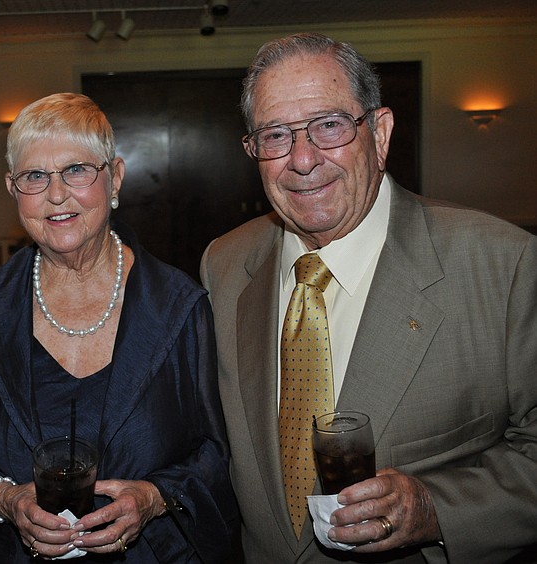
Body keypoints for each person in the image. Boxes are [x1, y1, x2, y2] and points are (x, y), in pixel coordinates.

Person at [200, 32, 537, 563]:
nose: (302, 159)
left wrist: (436, 508)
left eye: (329, 126)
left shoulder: (503, 264)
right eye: (275, 135)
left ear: (379, 134)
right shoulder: (224, 263)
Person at [0, 92, 238, 562]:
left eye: (77, 170)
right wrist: (4, 498)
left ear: (115, 177)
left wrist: (154, 497)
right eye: (34, 176)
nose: (56, 194)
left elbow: (215, 453)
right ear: (12, 189)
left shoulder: (179, 307)